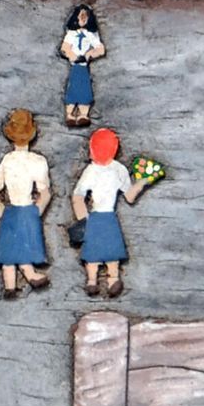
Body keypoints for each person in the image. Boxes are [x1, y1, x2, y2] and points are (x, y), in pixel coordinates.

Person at [72, 126, 150, 299]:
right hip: (108, 217)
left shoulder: (91, 170)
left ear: (92, 150)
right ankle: (112, 279)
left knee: (93, 252)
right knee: (111, 250)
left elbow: (77, 196)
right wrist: (142, 182)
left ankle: (92, 280)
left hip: (95, 217)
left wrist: (83, 220)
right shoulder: (119, 169)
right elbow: (130, 196)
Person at [0, 109, 51, 296]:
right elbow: (45, 193)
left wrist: (1, 210)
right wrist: (37, 211)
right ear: (32, 133)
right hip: (28, 209)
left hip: (11, 210)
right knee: (24, 244)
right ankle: (29, 275)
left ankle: (10, 285)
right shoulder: (38, 161)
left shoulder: (7, 160)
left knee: (10, 248)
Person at [59, 3, 105, 129]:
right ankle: (70, 114)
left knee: (85, 90)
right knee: (72, 89)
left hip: (84, 66)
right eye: (81, 16)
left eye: (85, 17)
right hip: (75, 65)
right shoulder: (71, 34)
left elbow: (100, 49)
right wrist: (72, 55)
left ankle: (83, 114)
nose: (83, 19)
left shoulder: (92, 34)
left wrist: (89, 54)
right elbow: (64, 48)